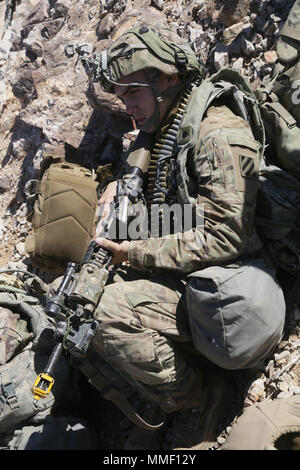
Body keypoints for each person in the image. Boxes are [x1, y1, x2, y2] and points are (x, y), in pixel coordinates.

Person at [82, 25, 286, 449]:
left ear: (169, 78)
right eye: (121, 96)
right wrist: (119, 187)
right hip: (194, 254)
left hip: (231, 282)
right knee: (89, 275)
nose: (128, 106)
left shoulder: (216, 135)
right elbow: (163, 181)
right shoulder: (172, 114)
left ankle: (201, 397)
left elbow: (227, 237)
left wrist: (133, 252)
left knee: (107, 313)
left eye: (132, 93)